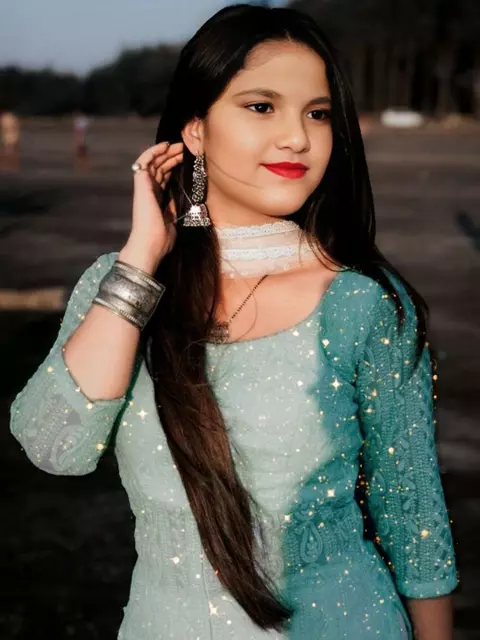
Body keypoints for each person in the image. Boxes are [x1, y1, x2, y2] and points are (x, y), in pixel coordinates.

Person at [10, 4, 458, 639]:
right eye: (262, 106)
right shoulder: (123, 286)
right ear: (195, 130)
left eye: (318, 113)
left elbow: (414, 518)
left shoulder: (362, 303)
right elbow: (56, 447)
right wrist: (141, 260)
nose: (297, 137)